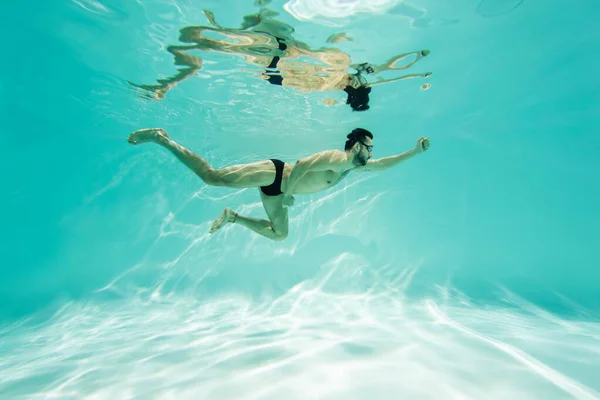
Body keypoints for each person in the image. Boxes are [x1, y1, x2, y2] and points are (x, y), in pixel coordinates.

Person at [127, 127, 430, 241]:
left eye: (373, 148)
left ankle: (233, 217)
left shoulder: (352, 168)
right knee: (212, 177)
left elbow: (385, 165)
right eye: (369, 147)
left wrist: (414, 152)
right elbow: (300, 166)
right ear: (355, 145)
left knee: (280, 234)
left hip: (282, 193)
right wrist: (285, 195)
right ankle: (161, 139)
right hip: (276, 176)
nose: (372, 153)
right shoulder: (337, 158)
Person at [127, 8, 432, 111]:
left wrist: (276, 57)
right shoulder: (330, 84)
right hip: (271, 57)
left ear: (357, 84)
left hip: (271, 53)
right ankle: (170, 83)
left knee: (195, 37)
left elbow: (280, 78)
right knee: (201, 39)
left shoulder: (333, 76)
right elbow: (284, 83)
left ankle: (170, 82)